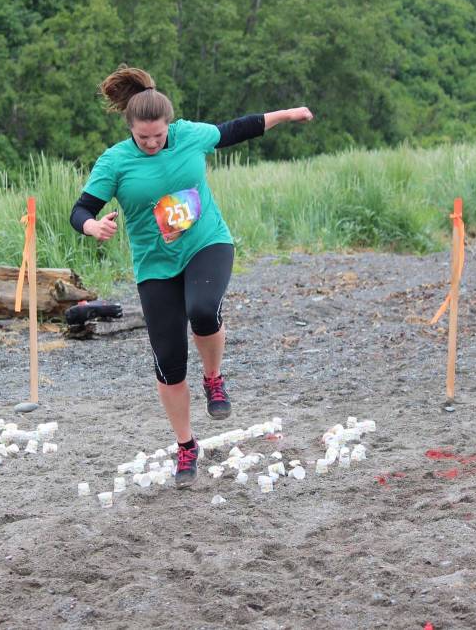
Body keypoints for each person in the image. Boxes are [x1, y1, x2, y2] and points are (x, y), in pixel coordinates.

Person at [69, 66, 313, 488]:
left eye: (158, 136)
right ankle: (186, 445)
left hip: (206, 244)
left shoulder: (189, 135)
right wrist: (94, 227)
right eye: (143, 137)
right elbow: (81, 210)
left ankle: (214, 379)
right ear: (130, 128)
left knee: (202, 310)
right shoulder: (115, 161)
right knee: (169, 364)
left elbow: (238, 129)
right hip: (154, 265)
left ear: (168, 125)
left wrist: (287, 114)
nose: (151, 143)